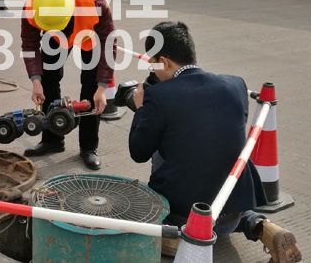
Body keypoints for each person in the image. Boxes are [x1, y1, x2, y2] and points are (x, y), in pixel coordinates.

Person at [128, 22, 301, 262]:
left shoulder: (157, 97)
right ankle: (262, 226)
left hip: (185, 217)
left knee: (162, 152)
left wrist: (141, 109)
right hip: (234, 207)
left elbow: (138, 152)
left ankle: (175, 240)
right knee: (212, 146)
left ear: (164, 62)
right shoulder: (236, 85)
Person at [21, 0, 116, 170]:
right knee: (47, 79)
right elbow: (29, 43)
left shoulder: (95, 1)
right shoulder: (32, 3)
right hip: (53, 35)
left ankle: (88, 147)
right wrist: (35, 80)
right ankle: (52, 139)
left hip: (91, 36)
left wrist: (103, 86)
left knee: (91, 88)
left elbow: (109, 44)